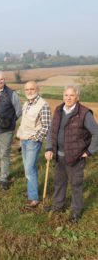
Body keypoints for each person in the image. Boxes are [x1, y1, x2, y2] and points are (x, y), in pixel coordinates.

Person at [45, 85, 98, 223]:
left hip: (76, 157)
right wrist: (49, 148)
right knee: (59, 183)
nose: (68, 98)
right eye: (66, 95)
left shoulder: (84, 113)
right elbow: (52, 131)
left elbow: (96, 133)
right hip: (59, 156)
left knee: (76, 185)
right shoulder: (58, 110)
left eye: (71, 95)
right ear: (63, 96)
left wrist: (89, 151)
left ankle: (76, 212)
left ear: (77, 97)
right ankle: (58, 206)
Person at [17, 81, 51, 208]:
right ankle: (31, 191)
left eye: (32, 89)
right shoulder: (27, 103)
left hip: (32, 141)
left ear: (38, 89)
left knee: (30, 169)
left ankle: (34, 198)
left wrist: (35, 138)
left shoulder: (43, 105)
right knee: (28, 168)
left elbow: (47, 127)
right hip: (24, 139)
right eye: (27, 89)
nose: (29, 91)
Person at [0, 71, 22, 190]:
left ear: (4, 80)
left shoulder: (12, 94)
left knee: (4, 153)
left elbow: (18, 111)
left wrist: (11, 121)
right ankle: (3, 173)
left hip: (7, 130)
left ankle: (4, 178)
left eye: (1, 79)